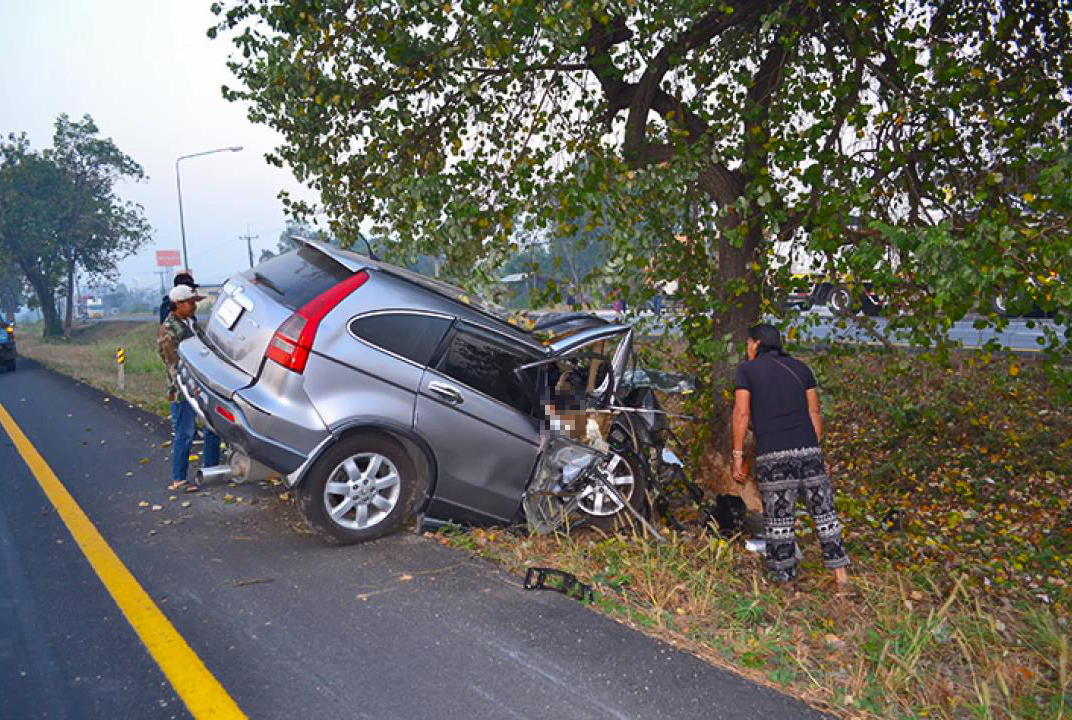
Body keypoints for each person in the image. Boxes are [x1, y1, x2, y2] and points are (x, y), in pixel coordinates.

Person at [731, 323, 850, 588]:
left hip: (773, 452)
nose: (747, 349)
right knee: (825, 513)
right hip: (807, 450)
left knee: (779, 518)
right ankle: (841, 576)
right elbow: (815, 413)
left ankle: (785, 578)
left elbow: (741, 414)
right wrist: (815, 450)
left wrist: (737, 455)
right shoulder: (801, 368)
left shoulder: (746, 371)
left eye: (749, 343)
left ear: (757, 344)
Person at [158, 284, 221, 491]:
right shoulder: (169, 330)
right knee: (185, 434)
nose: (195, 306)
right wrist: (192, 385)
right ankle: (179, 479)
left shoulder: (191, 323)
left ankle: (211, 471)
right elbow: (174, 365)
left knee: (212, 429)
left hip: (201, 386)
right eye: (191, 302)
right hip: (182, 391)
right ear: (178, 304)